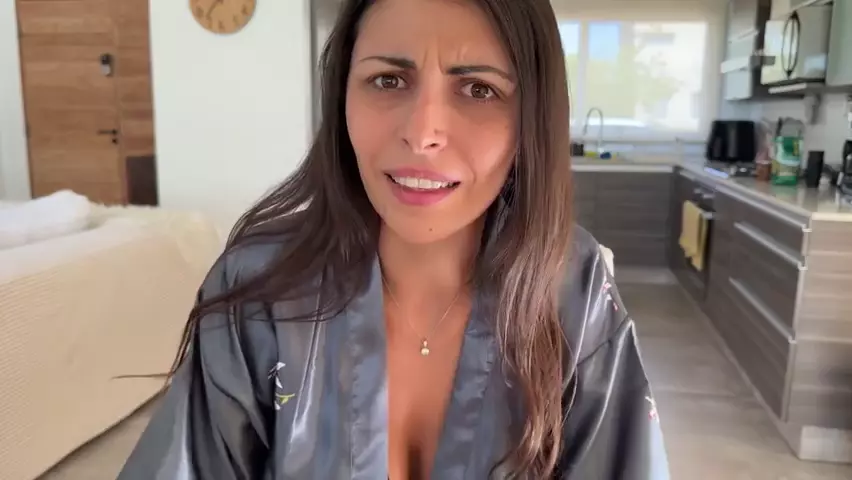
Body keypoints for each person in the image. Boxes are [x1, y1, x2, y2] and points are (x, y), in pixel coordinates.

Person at [117, 0, 670, 478]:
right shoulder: (261, 289)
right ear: (342, 96)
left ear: (532, 117)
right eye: (388, 80)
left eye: (479, 89)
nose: (422, 133)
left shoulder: (574, 290)